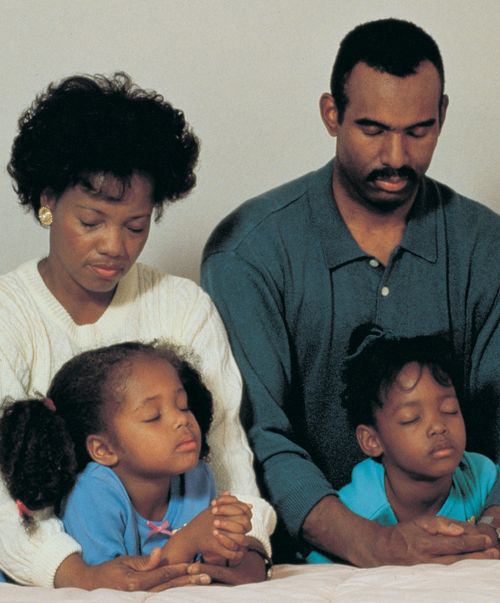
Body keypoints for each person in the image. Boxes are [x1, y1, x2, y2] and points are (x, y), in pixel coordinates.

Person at [201, 18, 500, 565]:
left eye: (418, 131)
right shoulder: (248, 251)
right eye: (372, 128)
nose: (395, 156)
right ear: (331, 114)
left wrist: (488, 532)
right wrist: (376, 542)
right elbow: (254, 433)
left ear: (443, 116)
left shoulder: (487, 245)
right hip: (291, 564)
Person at [0, 72, 275, 589]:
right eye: (91, 221)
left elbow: (224, 451)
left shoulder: (182, 306)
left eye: (136, 225)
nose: (114, 247)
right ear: (48, 201)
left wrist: (247, 545)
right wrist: (79, 573)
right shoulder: (7, 314)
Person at [0, 341, 257, 571]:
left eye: (183, 405)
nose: (182, 420)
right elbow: (112, 585)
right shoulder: (92, 492)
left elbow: (200, 570)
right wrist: (188, 540)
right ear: (104, 450)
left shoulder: (197, 478)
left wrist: (224, 548)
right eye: (153, 416)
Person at [306, 326, 498, 563]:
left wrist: (490, 525)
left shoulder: (479, 474)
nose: (438, 426)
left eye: (450, 410)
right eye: (412, 418)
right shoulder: (357, 510)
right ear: (372, 440)